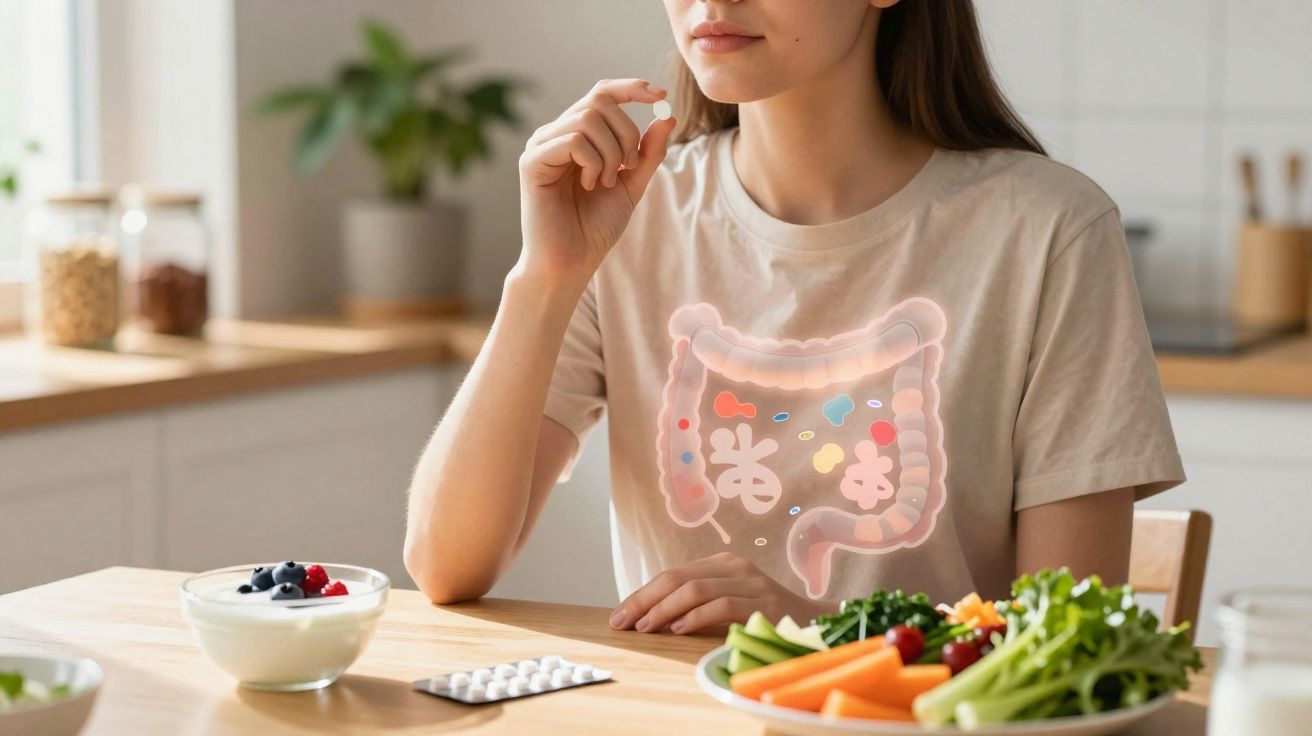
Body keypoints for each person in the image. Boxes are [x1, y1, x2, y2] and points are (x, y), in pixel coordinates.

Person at [403, 0, 1184, 635]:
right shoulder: (630, 217)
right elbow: (445, 564)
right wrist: (545, 276)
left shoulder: (1049, 231)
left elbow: (1069, 640)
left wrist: (816, 631)